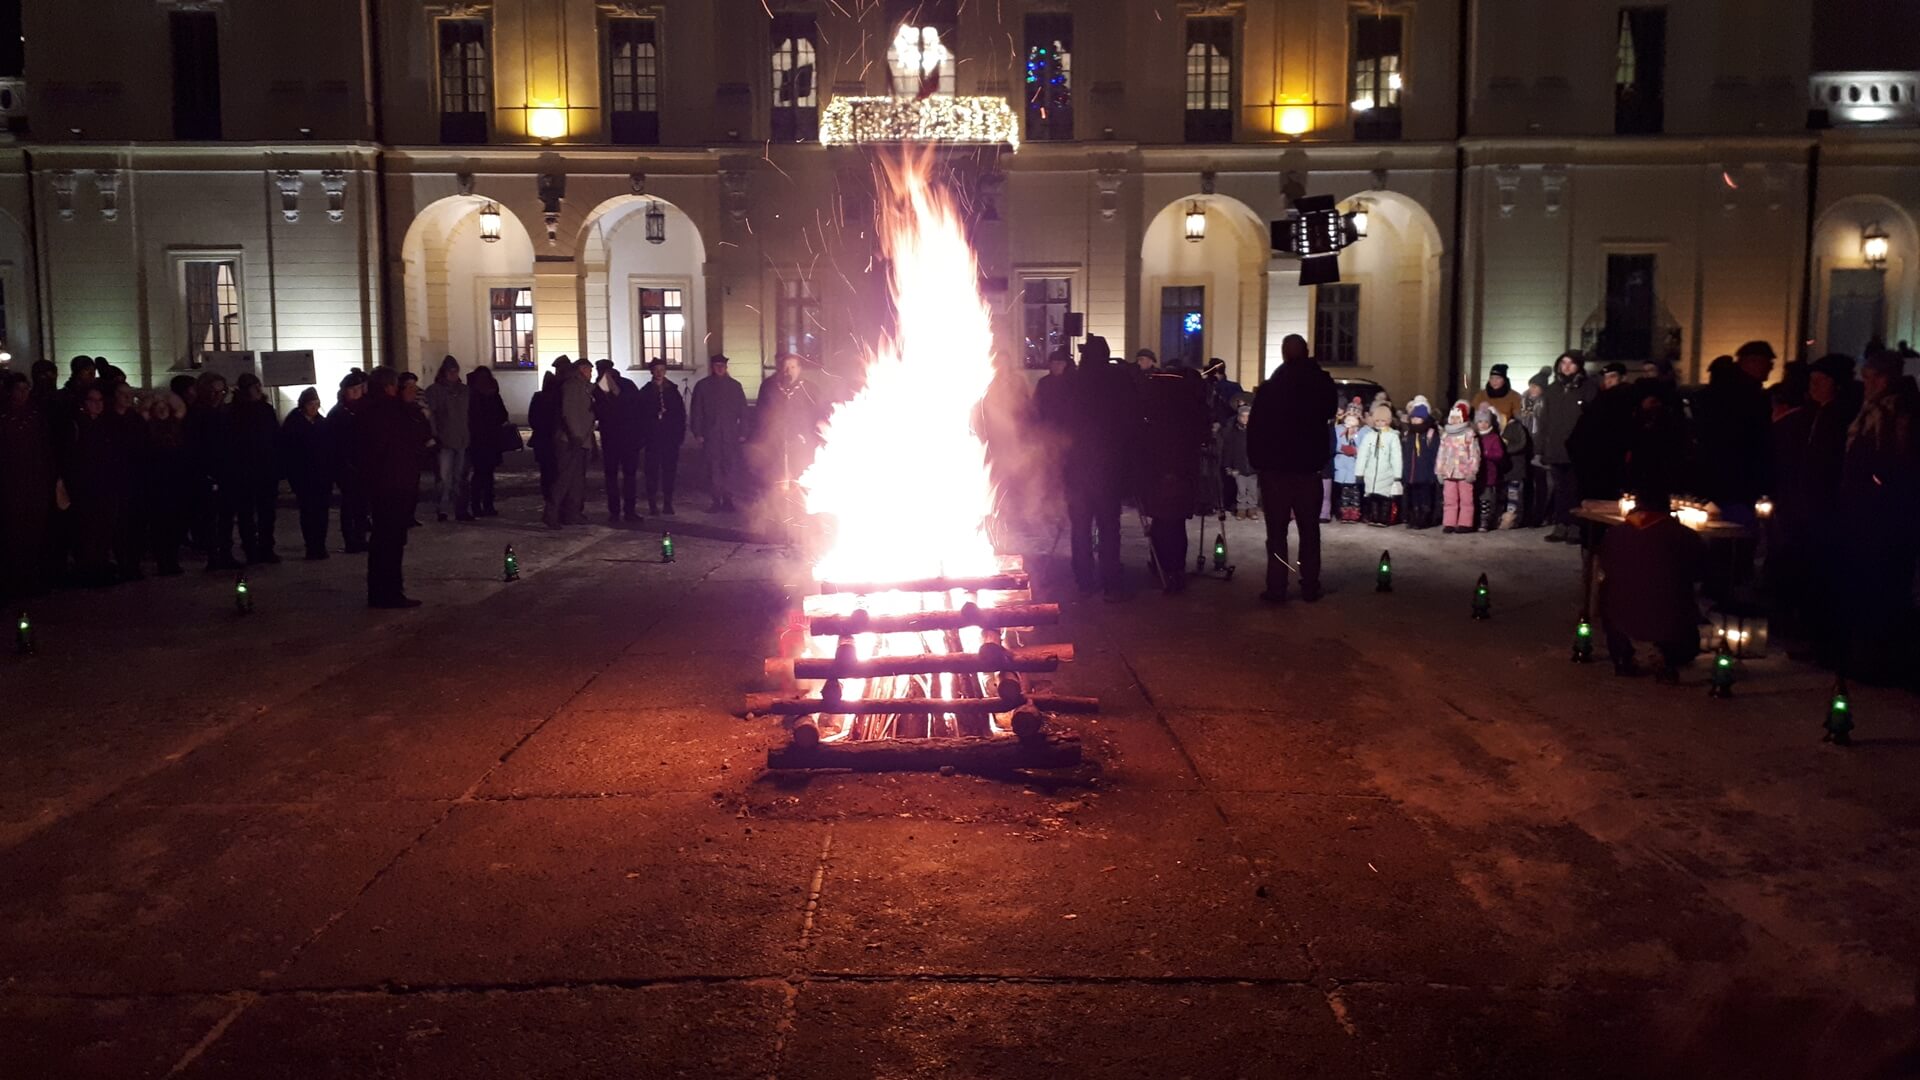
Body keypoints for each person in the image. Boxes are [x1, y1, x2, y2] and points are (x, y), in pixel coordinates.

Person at [1837, 351, 1919, 680]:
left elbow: (1894, 461)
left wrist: (1873, 486)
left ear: (1882, 378)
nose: (1864, 383)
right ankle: (1870, 656)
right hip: (1874, 513)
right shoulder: (1884, 408)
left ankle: (1878, 660)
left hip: (1882, 516)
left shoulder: (1895, 411)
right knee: (1874, 585)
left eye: (1868, 377)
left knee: (1881, 585)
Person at [1246, 333, 1335, 603]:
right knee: (1309, 531)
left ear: (1284, 354)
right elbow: (1330, 409)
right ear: (1306, 352)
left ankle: (1277, 586)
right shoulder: (1320, 383)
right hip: (1307, 471)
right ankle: (1309, 584)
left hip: (1275, 472)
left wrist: (1259, 463)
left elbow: (1255, 430)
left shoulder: (1273, 386)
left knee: (1276, 534)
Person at [1598, 482, 1703, 681]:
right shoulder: (1684, 536)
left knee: (1609, 591)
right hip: (1668, 616)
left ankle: (1622, 655)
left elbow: (1606, 565)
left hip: (1621, 613)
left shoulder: (1615, 534)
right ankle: (1668, 655)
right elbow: (1700, 572)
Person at [1063, 335, 1138, 600]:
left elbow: (1062, 423)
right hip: (1108, 468)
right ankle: (1111, 583)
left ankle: (1084, 579)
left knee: (1081, 527)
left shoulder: (1074, 382)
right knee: (1108, 527)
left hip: (1078, 468)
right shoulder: (1118, 380)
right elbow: (1130, 421)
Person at [355, 367, 429, 608]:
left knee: (384, 540)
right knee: (390, 541)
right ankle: (389, 592)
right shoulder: (389, 411)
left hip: (384, 483)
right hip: (393, 484)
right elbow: (412, 438)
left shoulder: (369, 409)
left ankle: (381, 592)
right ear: (389, 387)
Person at [1140, 361, 1210, 591]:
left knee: (1161, 520)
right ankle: (1175, 569)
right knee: (1176, 522)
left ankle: (1160, 564)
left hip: (1157, 469)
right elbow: (1201, 433)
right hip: (1181, 471)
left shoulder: (1153, 399)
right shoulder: (1189, 401)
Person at [1691, 340, 1774, 525]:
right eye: (1767, 364)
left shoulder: (1721, 391)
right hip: (1737, 477)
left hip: (1717, 475)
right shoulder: (1748, 396)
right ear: (1751, 362)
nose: (1770, 369)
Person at [0, 372, 55, 598]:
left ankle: (29, 578)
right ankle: (12, 580)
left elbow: (45, 448)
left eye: (26, 389)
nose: (24, 394)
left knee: (33, 532)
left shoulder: (35, 415)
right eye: (19, 389)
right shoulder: (4, 417)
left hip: (34, 483)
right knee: (12, 533)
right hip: (10, 483)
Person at [61, 385, 120, 586]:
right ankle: (87, 570)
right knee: (86, 531)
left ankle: (99, 567)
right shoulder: (76, 426)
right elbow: (70, 459)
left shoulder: (105, 425)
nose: (97, 404)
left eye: (100, 400)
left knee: (103, 529)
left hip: (104, 487)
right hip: (85, 489)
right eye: (92, 401)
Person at [1537, 351, 1597, 542]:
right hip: (1556, 448)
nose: (1566, 367)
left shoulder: (1588, 388)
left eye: (1571, 363)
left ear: (1579, 366)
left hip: (1578, 449)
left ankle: (1575, 526)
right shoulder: (1553, 389)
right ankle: (1560, 524)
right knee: (1560, 490)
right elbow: (1544, 421)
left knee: (1575, 489)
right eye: (1563, 363)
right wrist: (1540, 448)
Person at [227, 372, 281, 564]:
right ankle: (250, 548)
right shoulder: (234, 412)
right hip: (245, 471)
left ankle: (266, 547)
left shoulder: (266, 409)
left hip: (266, 469)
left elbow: (275, 438)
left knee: (267, 512)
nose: (258, 389)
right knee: (246, 513)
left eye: (258, 385)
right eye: (253, 386)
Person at [689, 354, 748, 512]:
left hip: (730, 435)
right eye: (717, 366)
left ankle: (728, 499)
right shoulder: (703, 386)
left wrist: (743, 431)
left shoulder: (735, 386)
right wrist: (698, 432)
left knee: (729, 468)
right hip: (711, 435)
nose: (720, 368)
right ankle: (716, 500)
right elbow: (697, 411)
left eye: (722, 365)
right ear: (712, 368)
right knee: (713, 468)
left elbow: (743, 410)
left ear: (726, 367)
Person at [280, 387, 333, 560]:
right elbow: (289, 452)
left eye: (317, 404)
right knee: (309, 512)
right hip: (304, 476)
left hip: (322, 476)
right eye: (311, 404)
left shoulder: (321, 423)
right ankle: (311, 545)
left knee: (322, 512)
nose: (314, 407)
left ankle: (320, 544)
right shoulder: (294, 424)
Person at [143, 393, 191, 575]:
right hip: (157, 484)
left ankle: (172, 558)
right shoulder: (148, 428)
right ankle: (164, 560)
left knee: (176, 523)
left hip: (176, 483)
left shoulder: (176, 427)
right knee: (160, 524)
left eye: (165, 406)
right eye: (158, 406)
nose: (162, 409)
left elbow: (180, 408)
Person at [545, 357, 594, 529]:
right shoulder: (571, 386)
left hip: (582, 440)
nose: (591, 374)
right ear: (581, 369)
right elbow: (568, 412)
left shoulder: (587, 387)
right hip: (570, 440)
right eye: (589, 370)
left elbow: (610, 392)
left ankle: (572, 513)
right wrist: (575, 434)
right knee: (564, 478)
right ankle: (551, 513)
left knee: (577, 480)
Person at [593, 359, 644, 522]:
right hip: (615, 438)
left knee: (621, 476)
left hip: (623, 438)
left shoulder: (624, 386)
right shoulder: (599, 389)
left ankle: (624, 511)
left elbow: (636, 409)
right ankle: (620, 511)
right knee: (616, 476)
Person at [423, 355, 473, 522]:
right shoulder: (435, 391)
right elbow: (431, 416)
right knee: (444, 478)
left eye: (455, 371)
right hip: (444, 440)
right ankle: (442, 509)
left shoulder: (464, 391)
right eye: (450, 371)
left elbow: (468, 415)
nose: (453, 374)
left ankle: (461, 509)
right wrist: (434, 435)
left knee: (460, 477)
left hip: (462, 439)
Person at [637, 359, 687, 516]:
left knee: (669, 471)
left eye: (662, 369)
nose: (659, 372)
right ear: (652, 372)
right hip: (652, 438)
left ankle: (667, 502)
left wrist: (679, 435)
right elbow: (639, 416)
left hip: (669, 439)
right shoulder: (645, 392)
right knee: (651, 472)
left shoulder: (672, 390)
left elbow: (680, 415)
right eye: (656, 369)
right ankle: (652, 503)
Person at [328, 370, 370, 554]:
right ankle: (350, 539)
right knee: (350, 503)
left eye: (358, 389)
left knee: (362, 503)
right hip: (346, 465)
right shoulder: (338, 413)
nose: (356, 392)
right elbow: (334, 442)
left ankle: (361, 536)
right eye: (352, 389)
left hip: (363, 464)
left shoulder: (364, 410)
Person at [466, 366, 515, 517]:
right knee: (486, 474)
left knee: (480, 474)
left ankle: (478, 505)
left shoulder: (472, 395)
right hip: (490, 439)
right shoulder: (491, 394)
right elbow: (502, 415)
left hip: (479, 440)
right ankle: (486, 505)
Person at [1355, 403, 1403, 527]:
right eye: (1377, 421)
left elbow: (1396, 457)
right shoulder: (1369, 436)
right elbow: (1362, 455)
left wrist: (1397, 475)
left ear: (1388, 421)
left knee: (1385, 498)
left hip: (1386, 473)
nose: (1380, 423)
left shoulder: (1392, 437)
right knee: (1373, 498)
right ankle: (1374, 517)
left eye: (1383, 421)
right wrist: (1359, 472)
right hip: (1371, 474)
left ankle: (1384, 518)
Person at [1436, 401, 1481, 534]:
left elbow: (1474, 453)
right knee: (1449, 499)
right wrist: (1439, 470)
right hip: (1449, 472)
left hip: (1464, 473)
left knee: (1466, 499)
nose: (1455, 420)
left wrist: (1472, 470)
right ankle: (1449, 522)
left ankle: (1465, 523)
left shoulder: (1469, 434)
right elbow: (1441, 454)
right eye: (1453, 417)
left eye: (1457, 417)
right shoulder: (1446, 435)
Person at [1401, 400, 1441, 529]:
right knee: (1413, 498)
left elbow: (1435, 454)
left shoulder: (1430, 434)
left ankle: (1423, 519)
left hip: (1425, 474)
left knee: (1425, 498)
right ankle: (1413, 517)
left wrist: (1434, 472)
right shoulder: (1409, 434)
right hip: (1411, 474)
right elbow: (1405, 454)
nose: (1415, 420)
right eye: (1413, 418)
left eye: (1418, 418)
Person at [1217, 401, 1258, 519]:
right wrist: (1228, 466)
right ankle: (1241, 508)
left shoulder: (1255, 432)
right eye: (1243, 416)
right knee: (1241, 490)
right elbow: (1229, 451)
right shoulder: (1233, 433)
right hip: (1238, 468)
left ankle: (1252, 508)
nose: (1245, 419)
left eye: (1248, 417)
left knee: (1252, 490)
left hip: (1252, 467)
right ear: (1239, 417)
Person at [1473, 406, 1507, 531]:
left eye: (1486, 422)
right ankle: (1475, 520)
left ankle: (1485, 521)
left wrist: (1487, 454)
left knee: (1486, 500)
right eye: (1480, 422)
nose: (1483, 424)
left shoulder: (1494, 438)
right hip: (1476, 474)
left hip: (1489, 474)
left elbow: (1499, 454)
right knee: (1476, 498)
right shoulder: (1474, 436)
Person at [528, 369, 560, 503]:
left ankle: (548, 496)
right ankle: (552, 498)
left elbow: (532, 418)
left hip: (541, 439)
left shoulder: (538, 396)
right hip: (551, 438)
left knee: (545, 471)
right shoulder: (558, 398)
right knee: (554, 470)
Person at [1331, 400, 1364, 523]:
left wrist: (1355, 448)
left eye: (1353, 418)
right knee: (1344, 492)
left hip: (1355, 466)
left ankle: (1354, 513)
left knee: (1354, 492)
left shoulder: (1362, 432)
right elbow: (1335, 444)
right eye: (1348, 418)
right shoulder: (1339, 429)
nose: (1350, 421)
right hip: (1342, 464)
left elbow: (1364, 446)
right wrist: (1342, 448)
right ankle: (1344, 512)